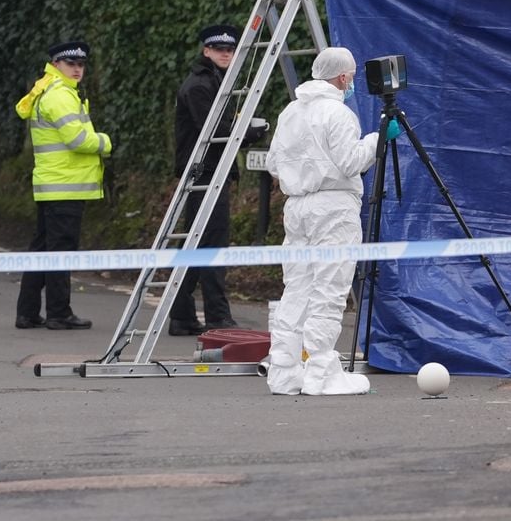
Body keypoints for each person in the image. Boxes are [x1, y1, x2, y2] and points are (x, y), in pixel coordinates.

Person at [265, 46, 401, 396]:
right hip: (333, 208)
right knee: (330, 287)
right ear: (343, 77)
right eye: (352, 77)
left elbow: (274, 166)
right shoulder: (338, 114)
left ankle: (284, 370)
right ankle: (321, 372)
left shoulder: (291, 112)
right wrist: (376, 140)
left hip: (296, 207)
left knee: (297, 287)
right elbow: (349, 162)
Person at [170, 24, 267, 336]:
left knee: (198, 243)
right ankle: (217, 317)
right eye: (219, 49)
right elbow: (213, 131)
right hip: (205, 173)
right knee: (212, 244)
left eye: (230, 49)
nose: (226, 53)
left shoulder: (216, 81)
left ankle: (182, 315)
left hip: (209, 172)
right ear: (206, 51)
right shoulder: (201, 85)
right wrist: (250, 133)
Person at [14, 41, 112, 330]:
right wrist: (105, 142)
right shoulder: (60, 95)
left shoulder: (52, 90)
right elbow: (79, 140)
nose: (78, 69)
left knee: (43, 249)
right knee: (61, 250)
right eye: (71, 64)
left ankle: (28, 312)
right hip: (65, 185)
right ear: (56, 65)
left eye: (81, 65)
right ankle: (59, 313)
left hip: (53, 184)